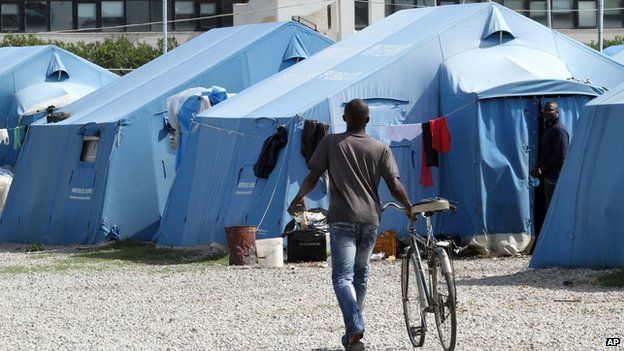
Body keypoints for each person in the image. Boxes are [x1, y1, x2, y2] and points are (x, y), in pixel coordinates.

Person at [287, 99, 412, 351]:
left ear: (344, 118)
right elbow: (394, 186)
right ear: (367, 120)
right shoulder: (381, 148)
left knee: (342, 277)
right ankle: (353, 333)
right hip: (370, 221)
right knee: (360, 275)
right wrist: (410, 207)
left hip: (343, 219)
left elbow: (313, 177)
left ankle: (355, 325)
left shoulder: (332, 143)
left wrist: (298, 198)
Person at [530, 101, 570, 209]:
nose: (546, 112)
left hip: (555, 178)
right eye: (545, 110)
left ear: (557, 112)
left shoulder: (559, 130)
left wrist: (542, 169)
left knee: (554, 208)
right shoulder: (550, 128)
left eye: (550, 110)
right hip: (549, 177)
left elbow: (561, 156)